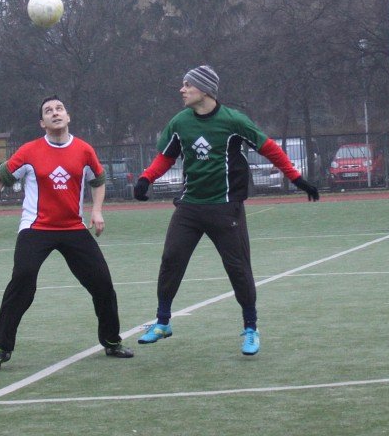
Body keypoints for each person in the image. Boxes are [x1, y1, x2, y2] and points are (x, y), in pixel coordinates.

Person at [132, 65, 320, 355]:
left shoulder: (233, 121)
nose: (182, 90)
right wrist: (146, 178)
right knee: (171, 260)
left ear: (205, 90)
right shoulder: (180, 122)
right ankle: (162, 322)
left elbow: (269, 148)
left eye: (188, 85)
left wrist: (297, 179)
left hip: (226, 209)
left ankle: (251, 328)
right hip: (189, 208)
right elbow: (166, 157)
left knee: (238, 269)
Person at [0, 95, 134, 372]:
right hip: (36, 229)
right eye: (48, 111)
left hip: (73, 228)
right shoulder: (29, 152)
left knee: (102, 283)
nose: (55, 113)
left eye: (59, 108)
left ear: (68, 116)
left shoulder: (84, 150)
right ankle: (1, 348)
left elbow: (98, 180)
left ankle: (112, 341)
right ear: (42, 123)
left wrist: (97, 211)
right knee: (22, 281)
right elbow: (0, 180)